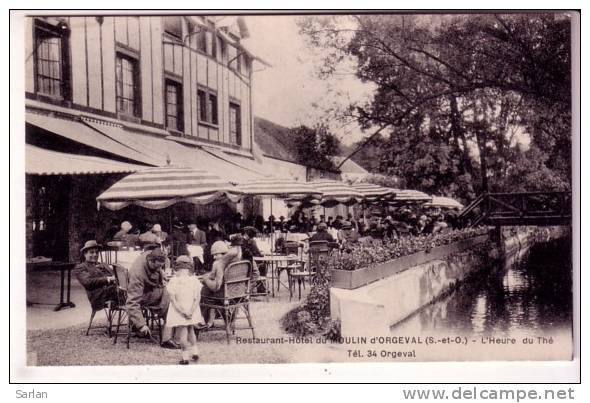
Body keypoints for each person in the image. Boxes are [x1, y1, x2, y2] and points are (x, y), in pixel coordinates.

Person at [126, 248, 178, 349]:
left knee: (169, 293)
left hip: (147, 289)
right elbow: (132, 303)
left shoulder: (150, 254)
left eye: (160, 266)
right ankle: (167, 338)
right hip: (142, 295)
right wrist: (141, 325)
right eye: (157, 265)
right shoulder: (138, 273)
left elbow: (164, 260)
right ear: (150, 260)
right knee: (170, 296)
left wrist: (162, 273)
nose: (159, 268)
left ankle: (174, 325)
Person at [165, 255, 202, 365]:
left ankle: (185, 357)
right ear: (189, 268)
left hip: (180, 311)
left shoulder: (174, 281)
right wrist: (191, 311)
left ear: (176, 268)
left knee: (182, 333)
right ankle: (195, 352)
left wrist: (182, 312)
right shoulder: (194, 280)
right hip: (192, 309)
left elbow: (173, 300)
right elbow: (198, 298)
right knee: (191, 330)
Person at [198, 241, 241, 328]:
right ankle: (226, 320)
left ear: (223, 254)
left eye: (216, 255)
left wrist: (205, 279)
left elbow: (216, 287)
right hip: (237, 294)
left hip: (223, 296)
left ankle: (204, 321)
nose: (214, 257)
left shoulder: (219, 264)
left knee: (203, 292)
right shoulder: (236, 262)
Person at [75, 240, 123, 311]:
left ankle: (134, 307)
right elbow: (88, 282)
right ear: (85, 254)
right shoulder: (81, 267)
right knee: (129, 294)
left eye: (96, 252)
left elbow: (115, 276)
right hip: (98, 296)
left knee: (132, 287)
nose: (95, 255)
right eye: (91, 252)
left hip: (113, 291)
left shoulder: (103, 264)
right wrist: (108, 279)